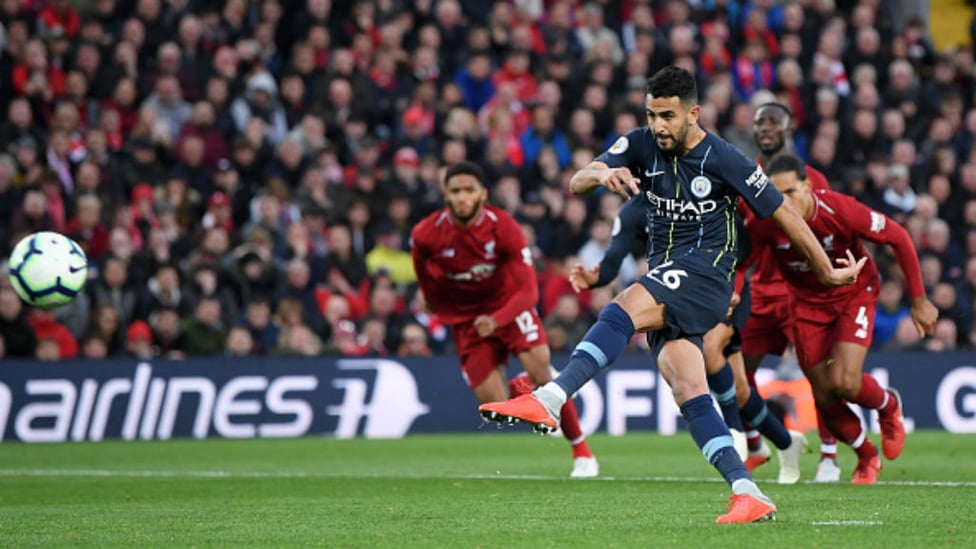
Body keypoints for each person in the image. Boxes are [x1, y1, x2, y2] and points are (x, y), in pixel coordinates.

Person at [480, 66, 865, 523]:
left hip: (707, 276)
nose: (659, 124)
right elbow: (577, 180)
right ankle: (748, 491)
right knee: (687, 387)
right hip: (669, 274)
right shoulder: (641, 143)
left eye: (668, 115)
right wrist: (604, 173)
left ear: (693, 113)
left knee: (620, 308)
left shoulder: (725, 158)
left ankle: (550, 398)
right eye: (652, 114)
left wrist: (826, 270)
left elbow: (783, 214)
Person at [570, 195, 807, 485]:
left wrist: (727, 281)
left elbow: (743, 246)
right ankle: (784, 442)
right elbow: (612, 261)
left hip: (722, 285)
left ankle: (734, 431)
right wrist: (594, 279)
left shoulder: (696, 196)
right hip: (676, 292)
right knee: (741, 390)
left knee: (709, 349)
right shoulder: (633, 211)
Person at [740, 154, 938, 484]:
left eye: (790, 192)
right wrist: (733, 291)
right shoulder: (764, 219)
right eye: (775, 195)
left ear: (807, 186)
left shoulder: (839, 209)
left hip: (853, 293)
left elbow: (898, 236)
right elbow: (742, 261)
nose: (782, 202)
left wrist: (918, 300)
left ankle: (888, 406)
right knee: (823, 394)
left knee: (844, 381)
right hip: (804, 305)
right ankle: (866, 454)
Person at [411, 161, 598, 478]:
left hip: (509, 308)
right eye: (455, 190)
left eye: (469, 189)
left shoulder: (504, 227)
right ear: (446, 195)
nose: (462, 197)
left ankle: (582, 454)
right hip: (468, 321)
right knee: (495, 407)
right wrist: (431, 298)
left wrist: (497, 319)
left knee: (542, 371)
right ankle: (524, 388)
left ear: (483, 193)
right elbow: (424, 276)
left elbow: (528, 292)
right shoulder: (426, 234)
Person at [741, 102, 840, 482]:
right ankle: (755, 444)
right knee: (737, 373)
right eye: (759, 122)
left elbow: (825, 231)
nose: (765, 128)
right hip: (761, 292)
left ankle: (829, 455)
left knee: (818, 374)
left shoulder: (811, 177)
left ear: (788, 128)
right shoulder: (742, 173)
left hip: (800, 290)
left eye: (773, 122)